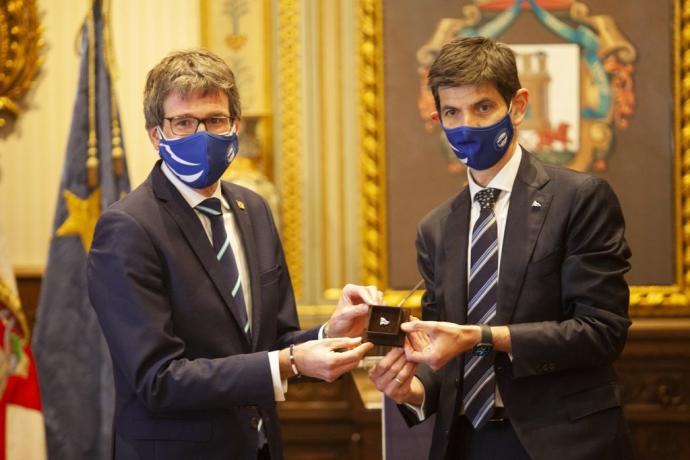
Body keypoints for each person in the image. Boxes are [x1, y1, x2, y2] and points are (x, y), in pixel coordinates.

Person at [87, 49, 375, 460]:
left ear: (235, 126)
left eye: (215, 120)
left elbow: (272, 341)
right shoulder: (128, 228)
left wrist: (331, 333)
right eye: (183, 123)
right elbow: (158, 380)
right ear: (156, 134)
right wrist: (289, 362)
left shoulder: (253, 209)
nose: (201, 134)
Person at [369, 36, 633, 460]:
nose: (467, 126)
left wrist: (485, 337)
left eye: (483, 108)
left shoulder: (579, 198)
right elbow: (445, 356)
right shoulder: (436, 228)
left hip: (562, 442)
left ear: (518, 105)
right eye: (452, 113)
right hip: (467, 441)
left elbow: (602, 332)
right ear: (438, 117)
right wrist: (412, 389)